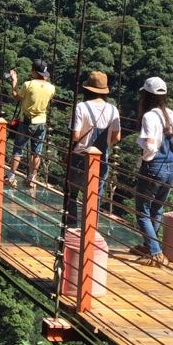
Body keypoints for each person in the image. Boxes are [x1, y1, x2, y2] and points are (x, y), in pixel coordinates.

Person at [132, 76, 173, 267]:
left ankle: (155, 252)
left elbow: (149, 145)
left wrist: (144, 155)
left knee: (142, 211)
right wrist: (172, 148)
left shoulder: (149, 116)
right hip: (172, 168)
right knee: (157, 209)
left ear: (146, 96)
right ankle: (150, 245)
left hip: (154, 166)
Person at [66, 70, 121, 228]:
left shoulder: (81, 107)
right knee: (94, 196)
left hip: (79, 156)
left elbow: (75, 135)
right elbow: (117, 137)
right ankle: (90, 230)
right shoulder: (113, 110)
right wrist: (103, 147)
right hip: (101, 159)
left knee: (72, 194)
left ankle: (72, 227)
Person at [5, 59, 56, 190]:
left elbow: (16, 96)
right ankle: (32, 178)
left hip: (26, 122)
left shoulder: (28, 84)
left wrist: (14, 82)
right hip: (42, 123)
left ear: (33, 71)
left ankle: (11, 177)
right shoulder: (51, 88)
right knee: (36, 152)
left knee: (18, 149)